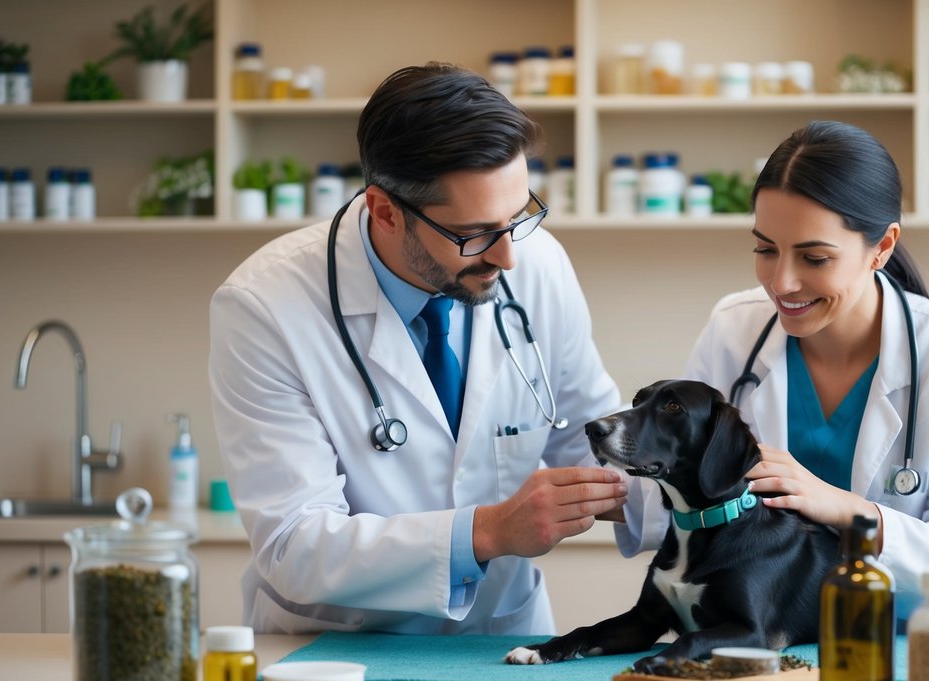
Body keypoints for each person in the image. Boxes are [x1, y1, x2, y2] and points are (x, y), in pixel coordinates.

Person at [209, 63, 636, 635]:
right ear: (386, 210)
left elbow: (591, 442)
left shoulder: (538, 264)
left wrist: (709, 487)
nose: (508, 256)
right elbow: (294, 544)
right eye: (476, 233)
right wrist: (487, 531)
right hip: (339, 651)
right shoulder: (264, 306)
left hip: (500, 640)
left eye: (519, 216)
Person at [616, 120, 929, 632]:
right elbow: (690, 478)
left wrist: (850, 511)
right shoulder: (734, 332)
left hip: (911, 649)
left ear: (883, 246)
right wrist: (590, 493)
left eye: (815, 257)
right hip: (778, 648)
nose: (781, 282)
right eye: (765, 250)